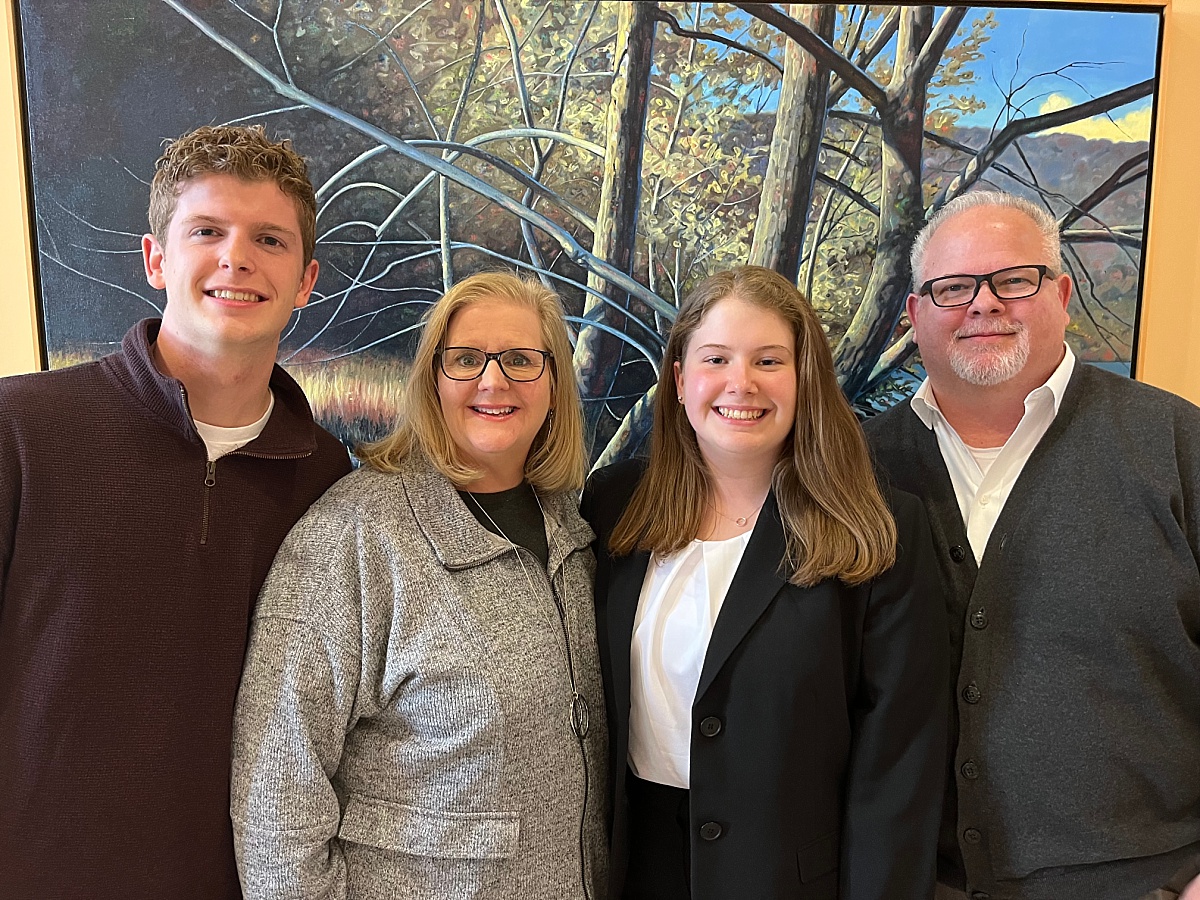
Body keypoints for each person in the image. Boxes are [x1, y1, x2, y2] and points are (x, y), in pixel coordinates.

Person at [0, 124, 352, 898]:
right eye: (206, 231)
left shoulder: (329, 479)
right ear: (157, 259)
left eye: (268, 238)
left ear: (305, 280)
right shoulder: (21, 428)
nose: (237, 257)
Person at [865, 190, 1200, 900]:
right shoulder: (854, 469)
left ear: (1063, 293)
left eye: (1013, 279)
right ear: (914, 313)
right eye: (952, 288)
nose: (983, 305)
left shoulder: (1176, 447)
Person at [230, 272, 608, 899]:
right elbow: (276, 794)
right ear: (433, 380)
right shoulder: (353, 535)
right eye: (465, 360)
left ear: (553, 384)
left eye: (521, 359)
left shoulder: (577, 527)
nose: (494, 381)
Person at [583, 266, 948, 900]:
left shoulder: (879, 528)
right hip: (636, 868)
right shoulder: (614, 505)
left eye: (769, 360)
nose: (740, 383)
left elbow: (899, 767)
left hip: (791, 880)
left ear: (805, 380)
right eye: (716, 358)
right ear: (678, 380)